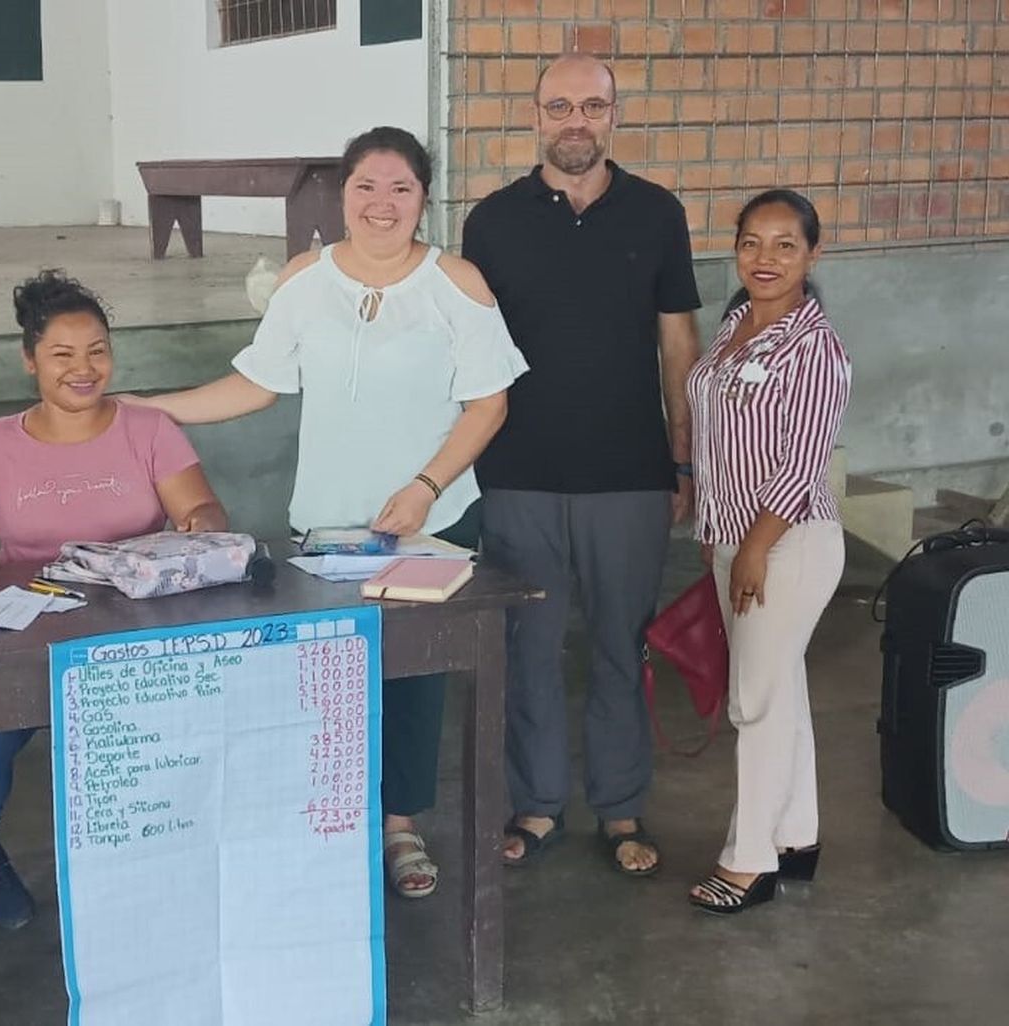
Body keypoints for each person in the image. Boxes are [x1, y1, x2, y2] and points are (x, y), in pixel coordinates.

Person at [121, 126, 527, 899]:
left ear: (423, 199)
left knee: (412, 682)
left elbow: (489, 403)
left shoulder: (458, 283)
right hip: (327, 528)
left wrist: (427, 486)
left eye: (400, 188)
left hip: (427, 520)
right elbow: (256, 383)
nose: (382, 203)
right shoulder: (305, 280)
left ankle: (400, 828)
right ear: (341, 195)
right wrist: (150, 409)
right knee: (332, 679)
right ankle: (334, 822)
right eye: (366, 187)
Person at [0, 269, 229, 927]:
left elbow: (197, 505)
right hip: (25, 634)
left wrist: (200, 524)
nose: (83, 369)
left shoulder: (148, 429)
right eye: (62, 354)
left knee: (154, 755)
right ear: (30, 361)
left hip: (130, 632)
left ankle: (148, 865)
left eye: (97, 352)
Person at [460, 53, 702, 875]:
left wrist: (683, 458)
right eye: (559, 106)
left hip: (630, 476)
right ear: (533, 115)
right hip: (518, 473)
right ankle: (537, 804)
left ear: (614, 116)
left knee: (616, 646)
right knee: (526, 648)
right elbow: (469, 354)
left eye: (591, 106)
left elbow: (677, 341)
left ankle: (621, 807)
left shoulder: (658, 214)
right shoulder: (490, 222)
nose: (575, 121)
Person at [686, 190, 850, 914]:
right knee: (783, 691)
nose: (766, 259)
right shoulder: (734, 326)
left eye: (786, 245)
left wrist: (750, 551)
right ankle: (797, 836)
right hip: (735, 541)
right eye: (752, 242)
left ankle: (750, 860)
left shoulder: (816, 349)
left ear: (814, 255)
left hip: (788, 546)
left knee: (756, 701)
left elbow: (799, 465)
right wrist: (717, 539)